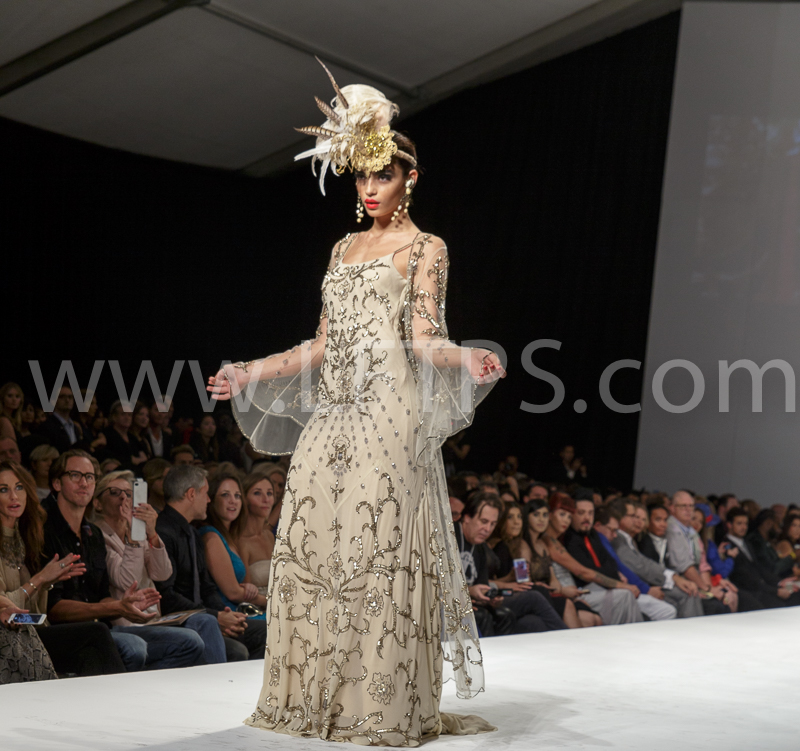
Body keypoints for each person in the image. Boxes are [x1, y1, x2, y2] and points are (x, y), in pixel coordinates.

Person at [206, 66, 505, 745]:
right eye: (362, 177)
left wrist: (465, 358)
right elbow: (320, 344)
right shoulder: (342, 247)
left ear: (410, 178)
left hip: (391, 415)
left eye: (384, 176)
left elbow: (424, 337)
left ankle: (379, 704)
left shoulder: (427, 247)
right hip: (334, 415)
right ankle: (316, 698)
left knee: (378, 553)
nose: (370, 188)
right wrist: (249, 371)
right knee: (316, 547)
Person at [41, 449, 184, 673]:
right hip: (67, 631)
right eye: (75, 475)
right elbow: (54, 608)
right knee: (134, 647)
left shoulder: (92, 534)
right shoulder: (45, 531)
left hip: (105, 626)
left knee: (191, 641)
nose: (84, 483)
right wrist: (117, 607)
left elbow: (162, 574)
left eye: (89, 477)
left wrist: (124, 605)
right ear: (57, 483)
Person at [92, 470, 219, 667]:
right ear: (98, 503)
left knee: (206, 622)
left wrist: (152, 533)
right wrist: (134, 538)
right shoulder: (99, 536)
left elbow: (162, 573)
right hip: (127, 623)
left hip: (154, 618)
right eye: (115, 492)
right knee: (194, 639)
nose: (124, 498)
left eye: (129, 493)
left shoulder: (137, 531)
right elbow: (127, 581)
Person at [155, 464, 265, 662]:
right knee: (237, 650)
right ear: (191, 494)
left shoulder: (192, 532)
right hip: (179, 621)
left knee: (266, 631)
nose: (208, 499)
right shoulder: (163, 531)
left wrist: (225, 614)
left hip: (205, 617)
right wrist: (216, 617)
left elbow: (206, 587)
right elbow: (167, 596)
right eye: (205, 493)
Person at [456, 493, 566, 635]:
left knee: (532, 622)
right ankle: (568, 637)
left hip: (473, 603)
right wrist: (469, 592)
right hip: (448, 603)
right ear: (467, 518)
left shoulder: (480, 547)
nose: (488, 529)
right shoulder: (448, 538)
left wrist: (490, 599)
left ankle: (566, 642)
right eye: (483, 521)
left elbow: (482, 587)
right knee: (534, 597)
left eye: (492, 524)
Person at [566, 500, 676, 621]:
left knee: (664, 607)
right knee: (628, 596)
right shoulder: (573, 538)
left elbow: (611, 563)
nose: (587, 518)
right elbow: (588, 571)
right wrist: (632, 586)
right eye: (581, 513)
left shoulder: (593, 535)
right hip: (590, 589)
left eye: (590, 513)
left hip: (609, 587)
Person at [543, 493, 641, 624]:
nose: (566, 520)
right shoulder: (552, 541)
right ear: (550, 515)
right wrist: (622, 585)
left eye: (569, 516)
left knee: (625, 596)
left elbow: (610, 562)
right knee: (625, 595)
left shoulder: (560, 540)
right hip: (568, 595)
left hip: (576, 593)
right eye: (562, 515)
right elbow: (582, 572)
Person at [607, 499, 703, 618]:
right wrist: (649, 588)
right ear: (619, 517)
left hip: (645, 586)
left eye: (642, 519)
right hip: (636, 589)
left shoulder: (629, 539)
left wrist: (674, 577)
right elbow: (638, 566)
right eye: (633, 516)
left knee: (688, 592)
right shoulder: (618, 540)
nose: (636, 521)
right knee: (685, 595)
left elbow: (643, 564)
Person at [198, 472, 267, 614]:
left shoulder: (229, 536)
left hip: (242, 609)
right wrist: (272, 601)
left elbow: (237, 586)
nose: (233, 501)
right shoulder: (211, 536)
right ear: (211, 499)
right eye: (225, 495)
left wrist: (247, 587)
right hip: (227, 612)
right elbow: (233, 593)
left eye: (237, 496)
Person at [666, 492, 732, 615]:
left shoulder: (691, 532)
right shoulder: (672, 528)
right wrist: (707, 589)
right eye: (683, 506)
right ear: (672, 508)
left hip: (694, 582)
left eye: (691, 506)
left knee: (723, 601)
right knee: (715, 606)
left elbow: (702, 565)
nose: (688, 510)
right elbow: (685, 567)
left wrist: (708, 588)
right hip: (677, 582)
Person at [724, 507, 800, 609]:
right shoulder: (726, 546)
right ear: (729, 525)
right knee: (781, 604)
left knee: (795, 594)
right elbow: (744, 577)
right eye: (739, 523)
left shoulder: (747, 543)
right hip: (748, 591)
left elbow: (759, 568)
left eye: (745, 523)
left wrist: (779, 582)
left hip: (762, 587)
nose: (744, 527)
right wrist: (775, 590)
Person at [238, 473, 276, 598]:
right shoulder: (241, 541)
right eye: (257, 493)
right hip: (258, 605)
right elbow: (246, 594)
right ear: (244, 499)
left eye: (269, 493)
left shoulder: (269, 536)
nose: (266, 499)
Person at [36, 386, 83, 454]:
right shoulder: (47, 426)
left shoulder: (75, 427)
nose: (67, 400)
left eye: (70, 397)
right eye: (62, 397)